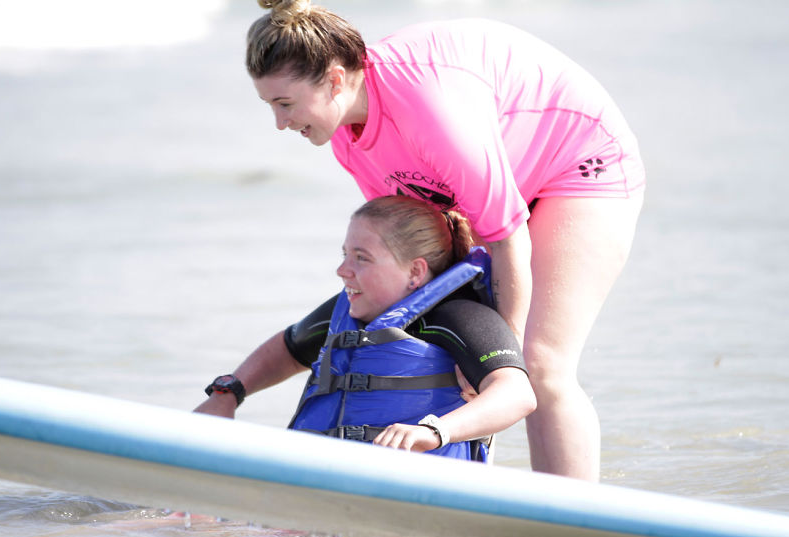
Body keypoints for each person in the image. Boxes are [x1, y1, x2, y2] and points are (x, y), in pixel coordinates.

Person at [243, 1, 645, 479]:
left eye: (285, 103)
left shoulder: (431, 112)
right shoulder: (347, 138)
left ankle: (573, 515)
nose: (279, 122)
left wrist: (499, 352)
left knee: (537, 364)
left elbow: (506, 236)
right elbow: (420, 247)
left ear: (334, 80)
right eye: (270, 106)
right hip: (504, 168)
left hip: (579, 161)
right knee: (449, 338)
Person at [195, 196, 535, 460]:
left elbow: (517, 395)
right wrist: (228, 394)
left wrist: (435, 431)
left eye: (361, 258)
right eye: (344, 254)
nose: (342, 270)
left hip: (415, 493)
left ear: (415, 272)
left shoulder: (459, 316)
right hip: (320, 479)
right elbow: (288, 349)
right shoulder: (346, 313)